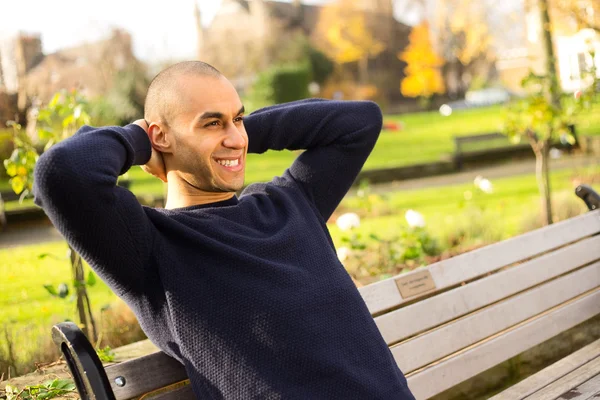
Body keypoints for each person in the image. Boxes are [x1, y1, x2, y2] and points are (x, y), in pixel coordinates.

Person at [34, 61, 415, 399]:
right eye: (212, 122)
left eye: (239, 118)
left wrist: (236, 135)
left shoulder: (291, 202)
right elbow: (63, 172)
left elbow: (360, 121)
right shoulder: (151, 247)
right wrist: (140, 138)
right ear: (160, 137)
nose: (235, 136)